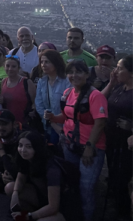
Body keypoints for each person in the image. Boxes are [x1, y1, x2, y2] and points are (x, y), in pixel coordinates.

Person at [44, 60, 108, 221]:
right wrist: (53, 117)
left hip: (91, 148)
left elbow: (100, 122)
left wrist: (89, 146)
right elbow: (66, 117)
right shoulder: (68, 93)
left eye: (78, 72)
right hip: (70, 144)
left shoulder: (95, 95)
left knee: (86, 187)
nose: (74, 75)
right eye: (70, 72)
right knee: (72, 183)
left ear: (87, 74)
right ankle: (73, 214)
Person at [100, 55, 133, 218]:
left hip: (127, 146)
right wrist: (112, 83)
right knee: (113, 176)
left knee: (122, 180)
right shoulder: (121, 87)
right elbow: (99, 100)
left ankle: (124, 213)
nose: (116, 70)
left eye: (120, 68)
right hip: (113, 140)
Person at [9, 131, 68, 221]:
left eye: (29, 147)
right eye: (20, 145)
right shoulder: (26, 159)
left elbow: (53, 206)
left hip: (62, 208)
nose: (23, 150)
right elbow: (21, 177)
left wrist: (29, 216)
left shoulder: (52, 169)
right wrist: (15, 193)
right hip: (43, 198)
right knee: (10, 188)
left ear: (37, 148)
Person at [34, 50, 69, 144]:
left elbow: (69, 104)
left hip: (65, 126)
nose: (43, 65)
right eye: (42, 62)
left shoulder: (66, 81)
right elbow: (39, 104)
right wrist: (50, 121)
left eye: (47, 62)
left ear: (56, 62)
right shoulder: (42, 82)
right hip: (48, 125)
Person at [0, 55, 37, 127]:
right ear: (4, 67)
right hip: (8, 123)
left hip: (24, 123)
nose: (10, 69)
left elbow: (35, 101)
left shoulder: (27, 82)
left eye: (13, 66)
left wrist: (33, 112)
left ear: (18, 68)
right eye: (8, 66)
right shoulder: (4, 81)